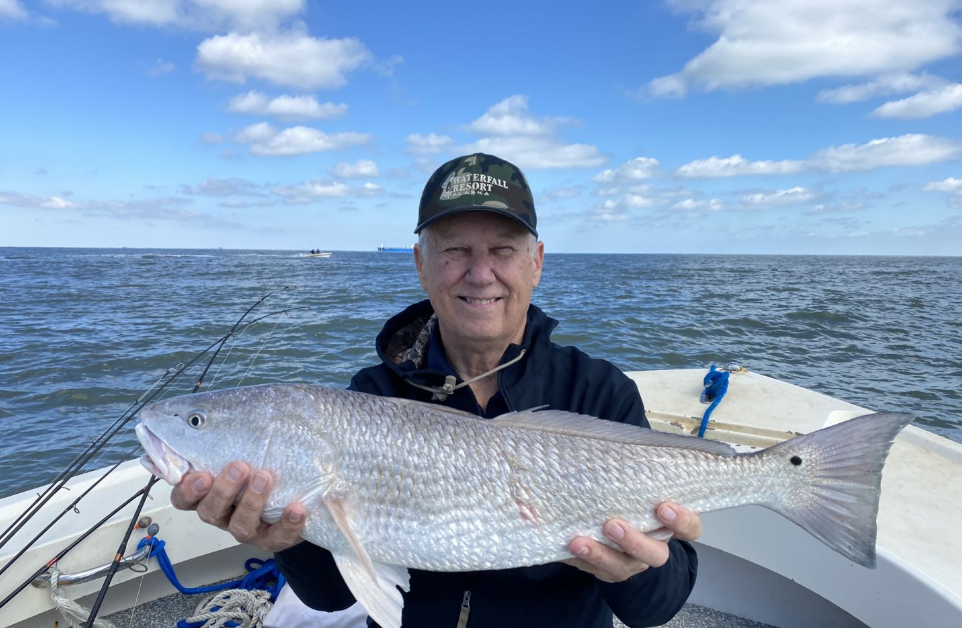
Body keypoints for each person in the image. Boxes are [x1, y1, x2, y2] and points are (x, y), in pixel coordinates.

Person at [171, 153, 701, 628]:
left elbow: (655, 608)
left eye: (502, 250)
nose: (480, 273)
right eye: (455, 251)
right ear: (421, 264)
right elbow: (331, 597)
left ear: (535, 262)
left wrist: (633, 572)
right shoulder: (371, 397)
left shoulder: (599, 391)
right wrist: (285, 540)